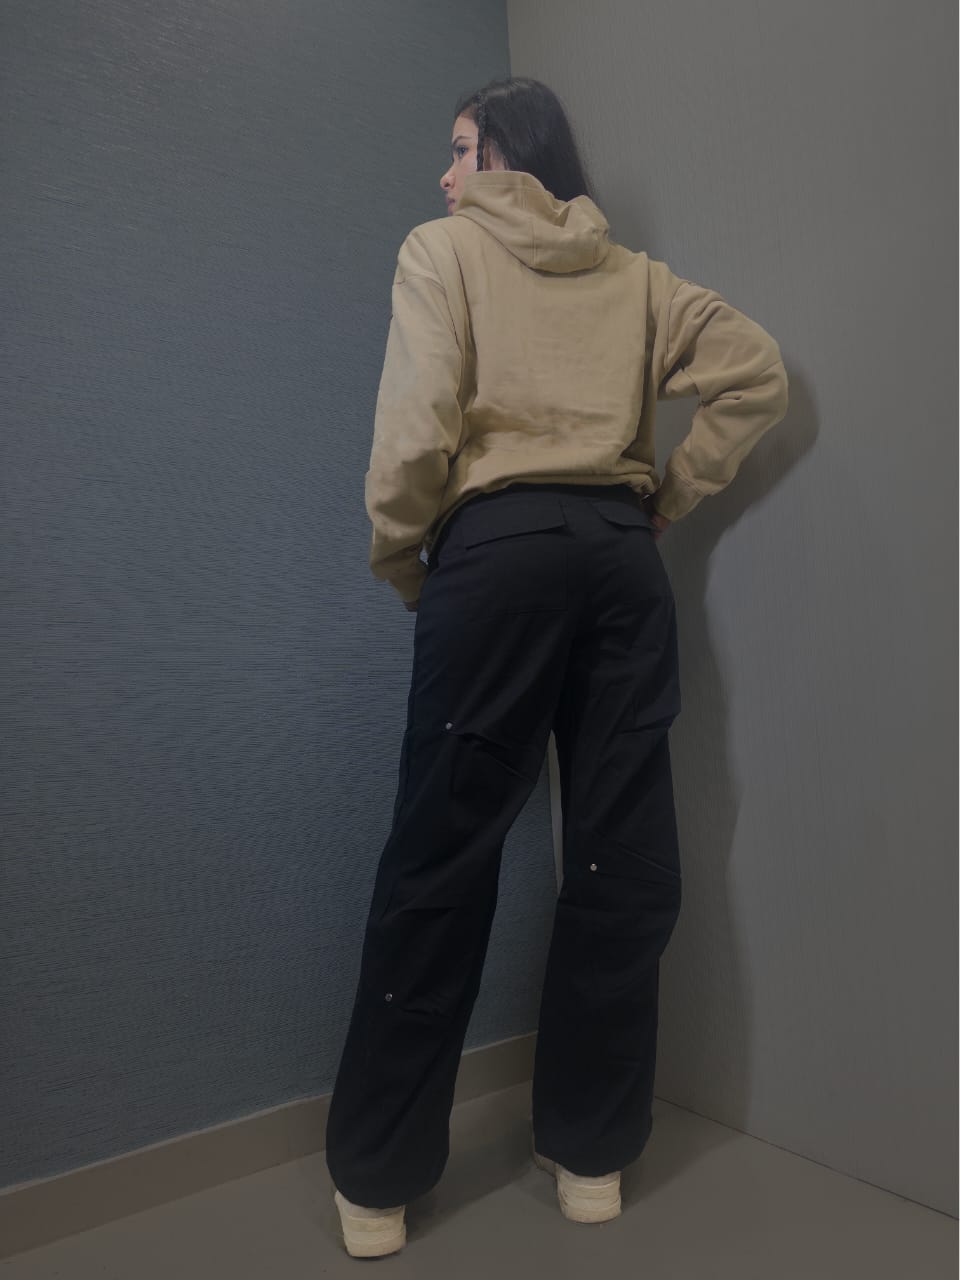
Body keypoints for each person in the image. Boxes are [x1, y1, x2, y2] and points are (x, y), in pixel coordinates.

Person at [328, 76, 788, 1258]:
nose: (445, 174)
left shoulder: (442, 252)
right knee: (620, 859)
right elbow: (756, 372)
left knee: (441, 855)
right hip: (617, 567)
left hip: (496, 558)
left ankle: (378, 1180)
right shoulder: (637, 279)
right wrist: (664, 498)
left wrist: (407, 561)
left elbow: (415, 433)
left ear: (507, 155)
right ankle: (592, 1156)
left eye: (460, 147)